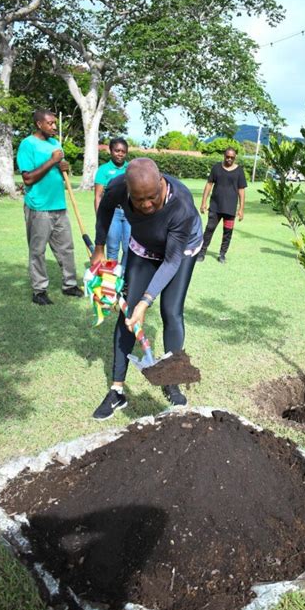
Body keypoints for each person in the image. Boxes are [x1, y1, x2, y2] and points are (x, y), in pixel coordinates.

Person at [91, 158, 203, 420]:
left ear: (162, 183)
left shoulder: (182, 204)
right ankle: (117, 390)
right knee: (127, 313)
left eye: (152, 197)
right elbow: (105, 210)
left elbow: (172, 261)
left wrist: (146, 301)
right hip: (143, 247)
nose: (146, 205)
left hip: (180, 249)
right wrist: (98, 248)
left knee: (171, 311)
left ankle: (171, 381)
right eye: (139, 200)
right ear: (128, 190)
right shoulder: (117, 187)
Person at [17, 110, 84, 305]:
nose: (54, 127)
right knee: (37, 250)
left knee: (66, 248)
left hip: (59, 206)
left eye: (55, 123)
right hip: (38, 207)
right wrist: (53, 161)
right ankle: (39, 291)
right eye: (50, 123)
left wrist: (63, 166)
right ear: (39, 124)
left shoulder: (55, 144)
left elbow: (58, 169)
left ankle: (70, 285)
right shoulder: (27, 144)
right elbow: (27, 178)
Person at [197, 147, 246, 263]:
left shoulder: (239, 171)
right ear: (224, 156)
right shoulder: (216, 168)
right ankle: (202, 252)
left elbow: (241, 191)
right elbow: (209, 185)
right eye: (227, 157)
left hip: (230, 209)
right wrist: (203, 202)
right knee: (209, 229)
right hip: (215, 207)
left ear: (235, 158)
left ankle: (222, 254)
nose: (229, 159)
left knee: (227, 233)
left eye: (232, 158)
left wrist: (241, 209)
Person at [94, 137, 130, 270]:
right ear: (111, 151)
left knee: (128, 247)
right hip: (111, 213)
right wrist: (100, 220)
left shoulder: (131, 168)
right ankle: (111, 279)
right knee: (113, 248)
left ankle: (124, 278)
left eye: (123, 151)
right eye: (117, 150)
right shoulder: (104, 170)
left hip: (129, 212)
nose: (120, 154)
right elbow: (98, 196)